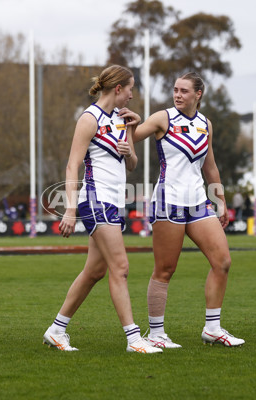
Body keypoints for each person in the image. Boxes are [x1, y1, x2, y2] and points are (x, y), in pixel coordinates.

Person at [42, 65, 161, 354]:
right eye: (131, 89)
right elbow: (73, 165)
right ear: (118, 89)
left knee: (94, 271)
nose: (133, 96)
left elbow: (130, 165)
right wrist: (70, 210)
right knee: (120, 268)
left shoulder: (122, 120)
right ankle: (134, 339)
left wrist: (130, 146)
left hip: (114, 202)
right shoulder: (89, 118)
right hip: (95, 201)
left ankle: (57, 330)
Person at [133, 72, 244, 348]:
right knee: (165, 270)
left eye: (184, 90)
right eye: (175, 89)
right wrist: (125, 124)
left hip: (199, 202)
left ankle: (212, 328)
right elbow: (133, 136)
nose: (178, 94)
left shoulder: (206, 123)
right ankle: (156, 334)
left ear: (198, 94)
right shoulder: (163, 118)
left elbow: (210, 166)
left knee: (223, 262)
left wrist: (220, 201)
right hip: (168, 202)